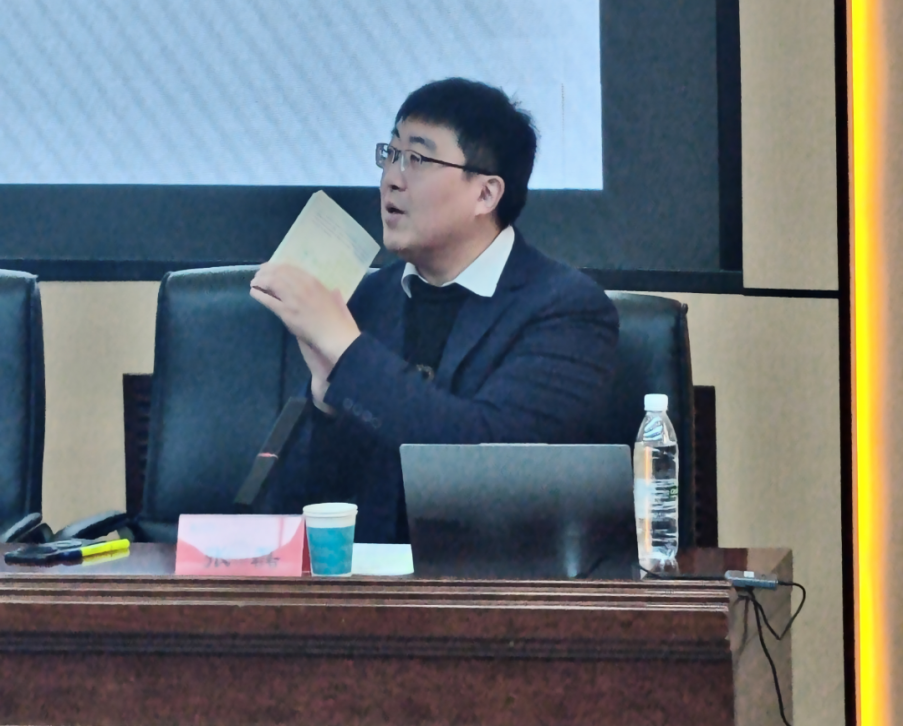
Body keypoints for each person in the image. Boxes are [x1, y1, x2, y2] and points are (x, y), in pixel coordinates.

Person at [250, 78, 618, 544]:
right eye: (391, 153)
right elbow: (283, 511)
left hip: (491, 584)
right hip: (367, 583)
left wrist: (348, 353)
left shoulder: (567, 310)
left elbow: (492, 464)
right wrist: (323, 407)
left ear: (486, 194)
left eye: (418, 159)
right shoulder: (364, 301)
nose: (392, 178)